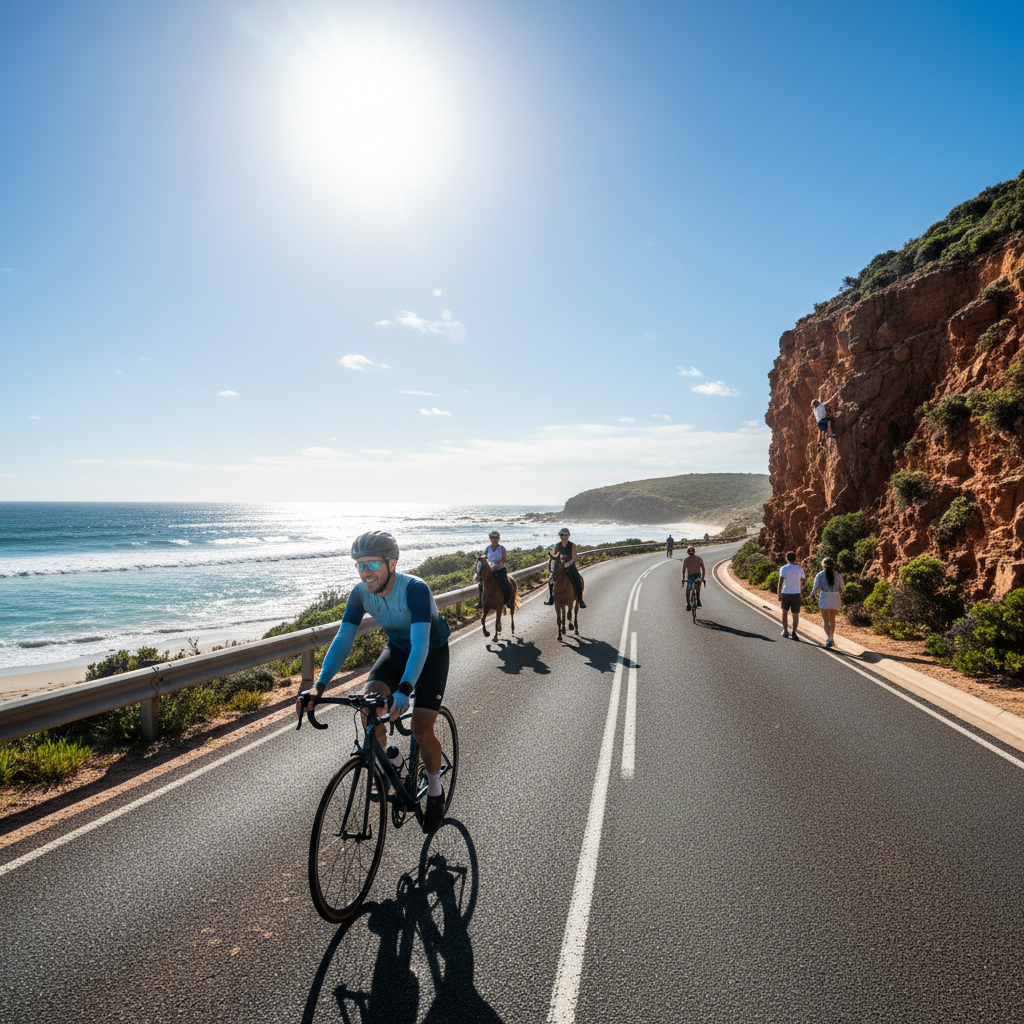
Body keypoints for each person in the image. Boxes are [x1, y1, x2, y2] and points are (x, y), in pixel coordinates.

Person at [302, 531, 451, 832]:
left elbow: (421, 643)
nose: (365, 572)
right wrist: (319, 686)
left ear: (391, 563)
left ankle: (435, 789)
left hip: (431, 652)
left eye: (372, 564)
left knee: (421, 727)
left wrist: (405, 689)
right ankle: (390, 765)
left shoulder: (415, 589)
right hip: (397, 649)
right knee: (369, 703)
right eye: (359, 565)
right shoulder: (360, 594)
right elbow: (343, 639)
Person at [544, 528, 587, 608]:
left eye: (565, 535)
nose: (564, 537)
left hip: (571, 567)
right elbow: (556, 556)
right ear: (560, 536)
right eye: (562, 535)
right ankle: (551, 598)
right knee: (551, 580)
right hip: (561, 567)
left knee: (578, 579)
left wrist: (568, 564)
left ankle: (580, 600)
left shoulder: (572, 545)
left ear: (568, 536)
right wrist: (552, 558)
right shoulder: (558, 545)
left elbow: (573, 557)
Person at [811, 555, 845, 649]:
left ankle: (829, 638)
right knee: (832, 619)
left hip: (824, 597)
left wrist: (811, 596)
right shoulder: (838, 575)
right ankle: (832, 638)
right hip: (835, 597)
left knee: (826, 620)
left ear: (823, 565)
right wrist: (837, 595)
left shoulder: (820, 575)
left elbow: (815, 587)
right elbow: (842, 588)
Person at [479, 530, 513, 609]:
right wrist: (482, 558)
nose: (494, 539)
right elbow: (485, 556)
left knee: (505, 582)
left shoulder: (502, 548)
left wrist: (496, 566)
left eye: (496, 538)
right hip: (490, 570)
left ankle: (508, 600)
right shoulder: (488, 548)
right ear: (490, 538)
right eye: (492, 537)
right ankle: (481, 602)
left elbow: (503, 560)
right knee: (481, 584)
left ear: (498, 539)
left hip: (500, 570)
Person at [777, 551, 806, 640]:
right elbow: (803, 581)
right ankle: (794, 632)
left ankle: (785, 631)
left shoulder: (783, 568)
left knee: (784, 612)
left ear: (787, 558)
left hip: (786, 593)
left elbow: (781, 581)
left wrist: (779, 593)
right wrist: (800, 588)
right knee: (795, 614)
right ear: (795, 558)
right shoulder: (799, 569)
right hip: (796, 594)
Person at [681, 546, 706, 610]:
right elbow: (683, 570)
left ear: (694, 551)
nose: (691, 552)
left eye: (692, 550)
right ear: (688, 552)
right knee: (688, 589)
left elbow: (703, 569)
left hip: (697, 575)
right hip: (690, 576)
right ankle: (688, 604)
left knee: (698, 586)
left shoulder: (699, 559)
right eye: (689, 551)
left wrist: (702, 578)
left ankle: (698, 599)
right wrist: (683, 578)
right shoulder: (686, 560)